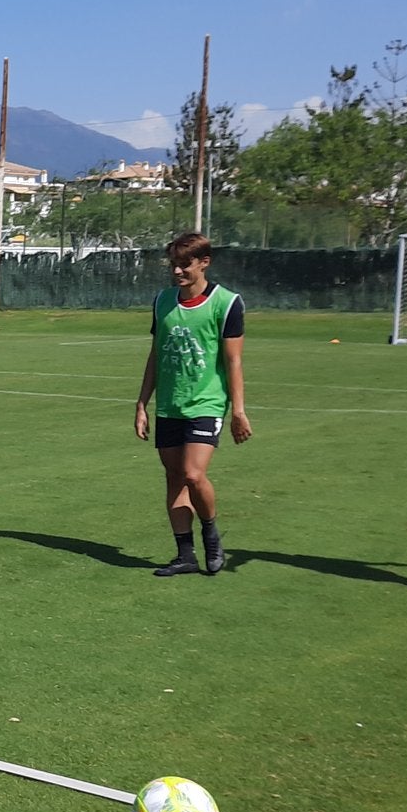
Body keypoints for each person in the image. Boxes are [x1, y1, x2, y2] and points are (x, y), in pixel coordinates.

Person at [133, 233, 250, 575]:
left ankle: (211, 533)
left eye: (185, 264)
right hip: (170, 404)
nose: (178, 272)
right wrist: (142, 403)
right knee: (174, 478)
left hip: (207, 404)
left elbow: (234, 362)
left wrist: (238, 411)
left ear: (204, 262)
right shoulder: (163, 301)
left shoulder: (226, 303)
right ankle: (185, 554)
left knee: (193, 474)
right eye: (174, 265)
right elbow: (155, 355)